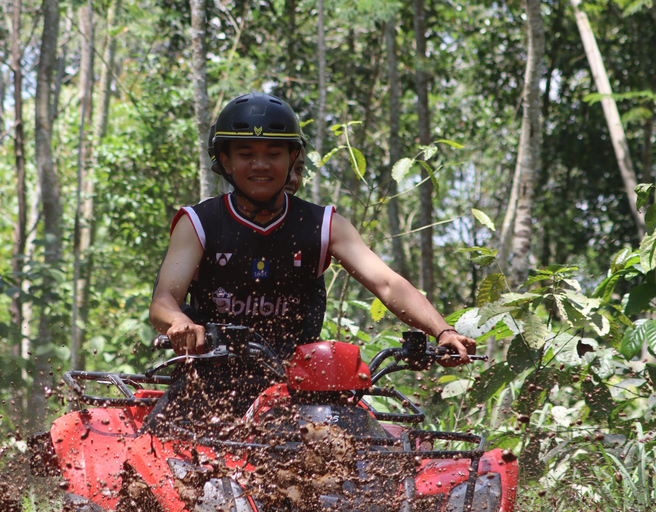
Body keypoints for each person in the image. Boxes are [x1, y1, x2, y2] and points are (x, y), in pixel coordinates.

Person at [149, 92, 475, 417]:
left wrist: (443, 331)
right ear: (225, 161)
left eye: (273, 153)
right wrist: (179, 322)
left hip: (301, 391)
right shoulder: (199, 222)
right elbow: (164, 299)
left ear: (293, 158)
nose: (260, 165)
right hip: (207, 387)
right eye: (246, 154)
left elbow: (388, 283)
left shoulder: (324, 225)